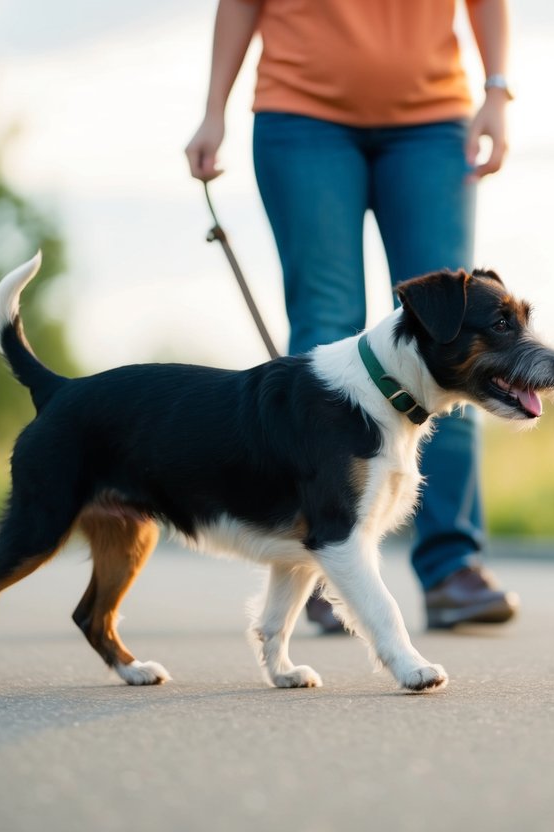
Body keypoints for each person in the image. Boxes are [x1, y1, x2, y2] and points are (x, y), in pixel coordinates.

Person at [185, 0, 519, 631]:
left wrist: (496, 90)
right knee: (322, 323)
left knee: (457, 339)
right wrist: (213, 111)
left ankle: (452, 567)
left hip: (431, 120)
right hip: (299, 115)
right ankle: (321, 551)